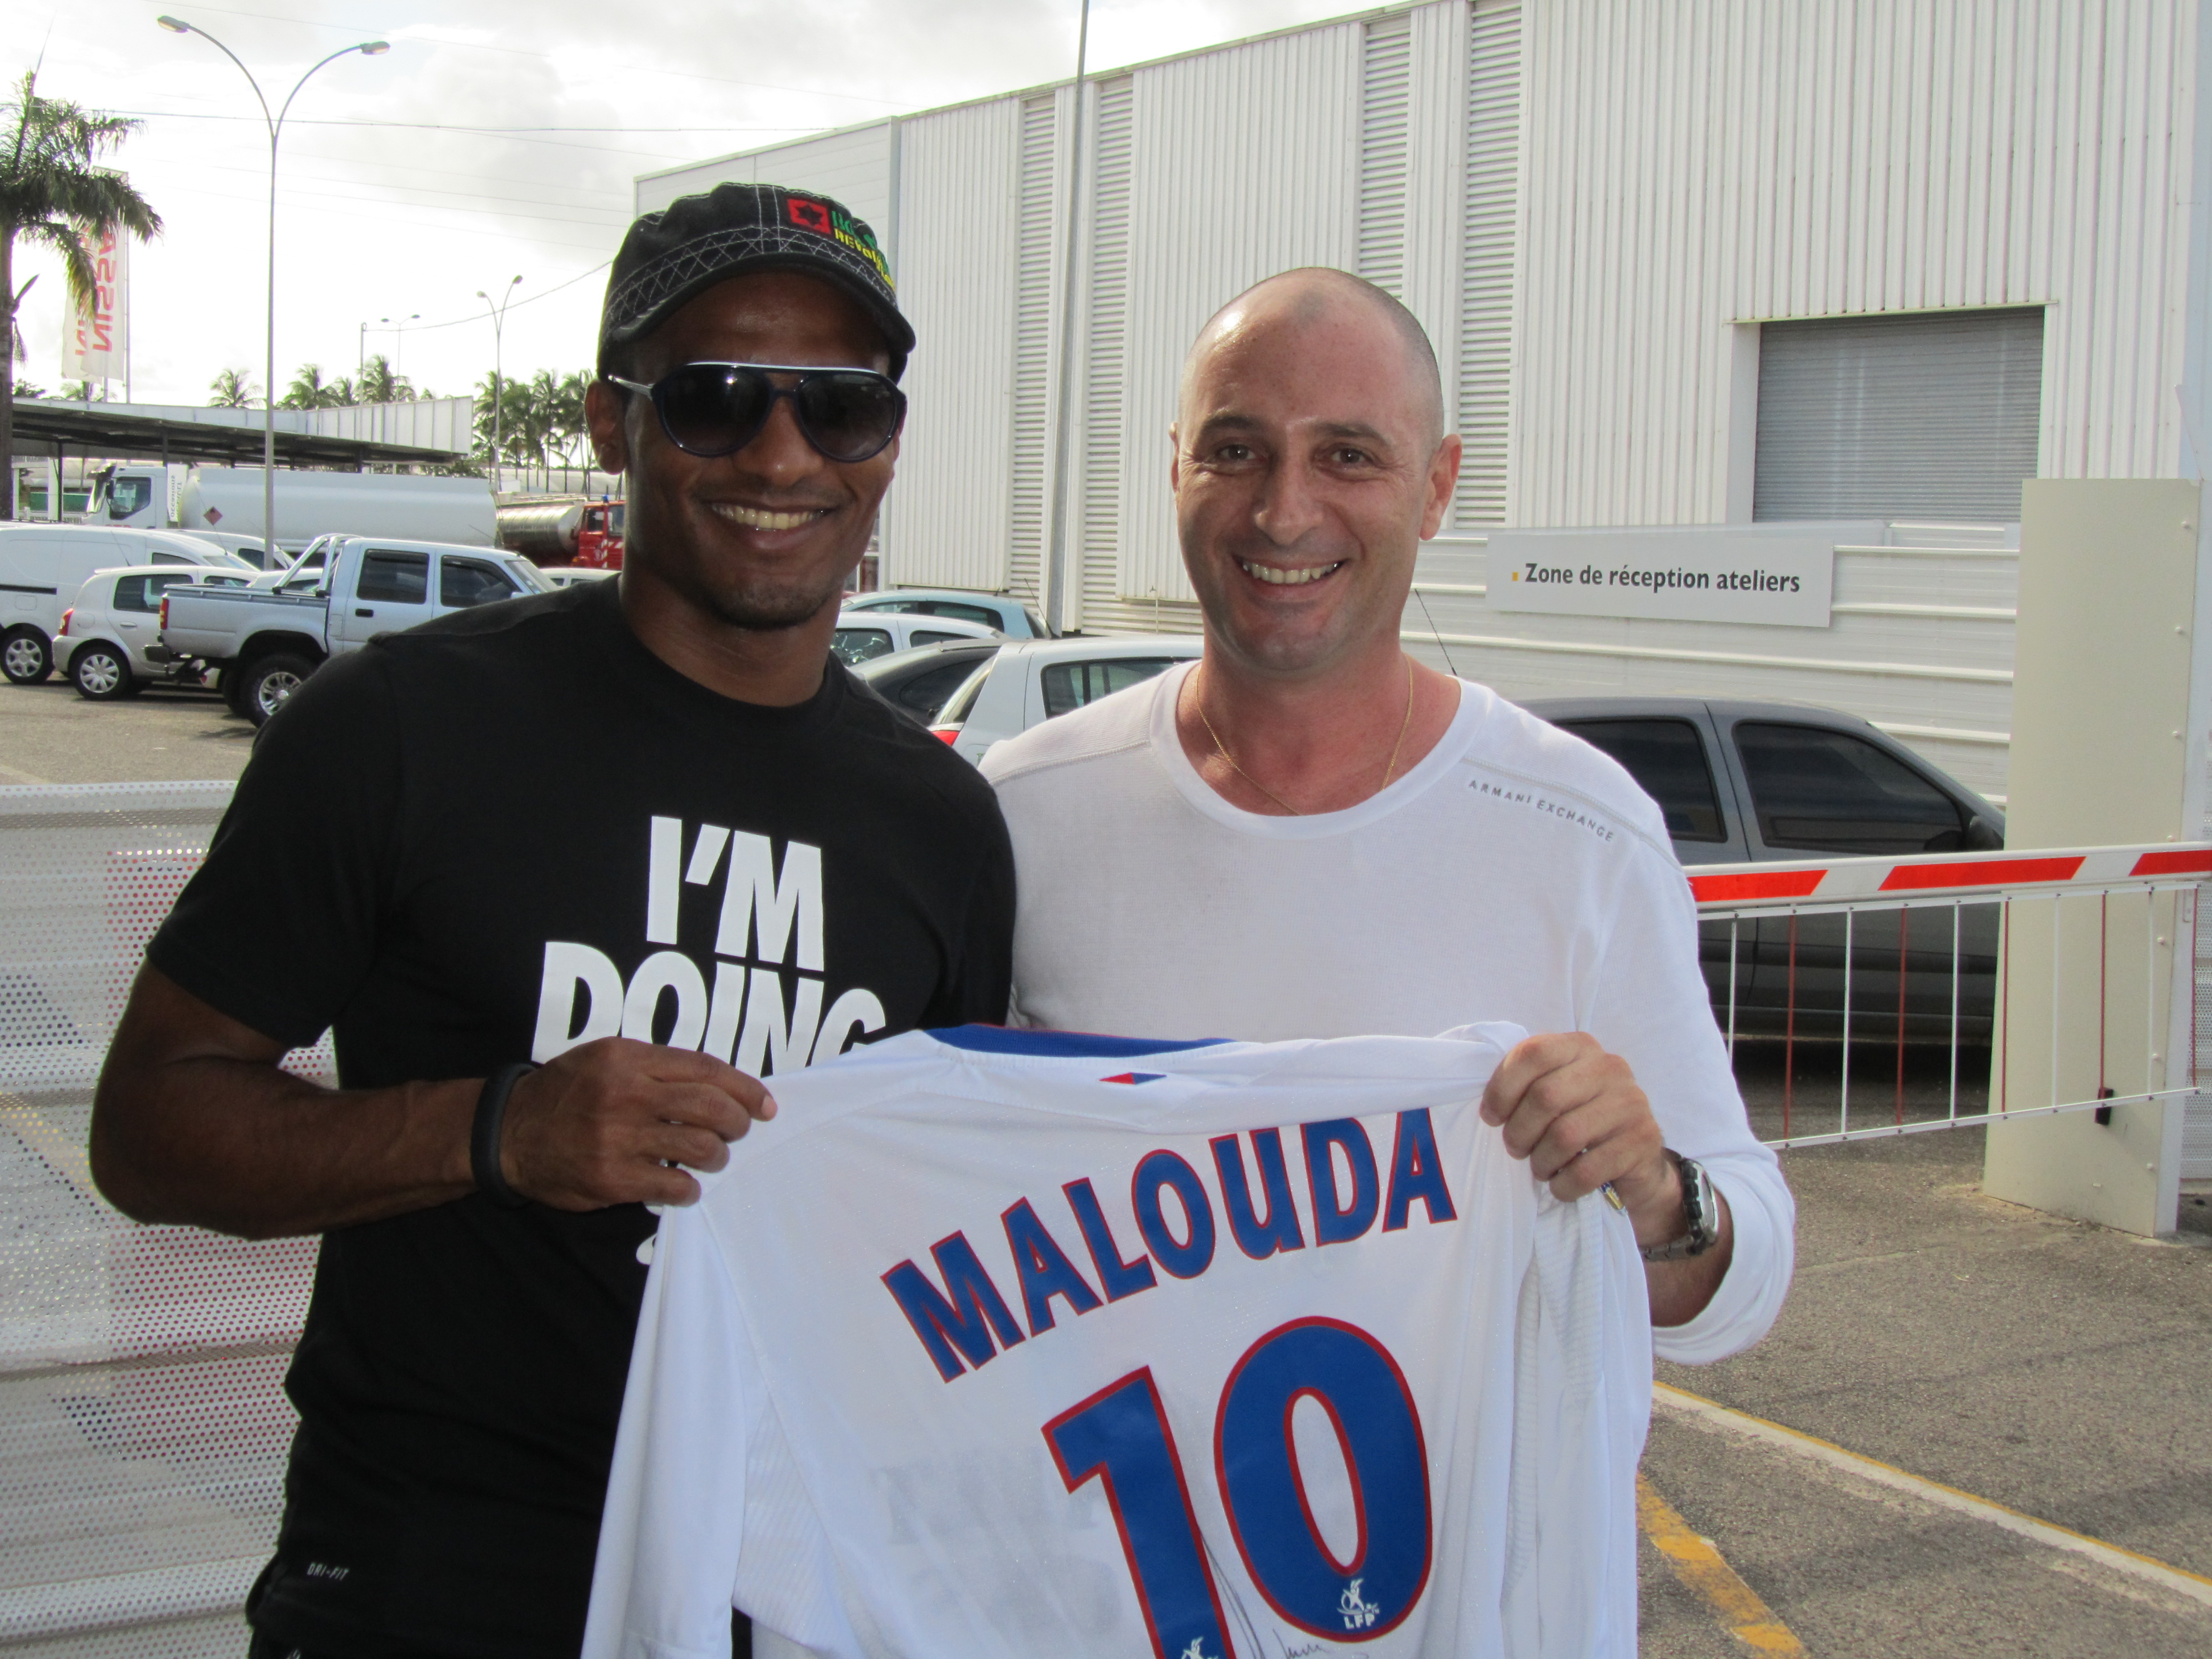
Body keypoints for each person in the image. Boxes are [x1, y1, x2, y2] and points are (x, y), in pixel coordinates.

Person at [90, 183, 1014, 1659]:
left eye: (842, 407)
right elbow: (147, 1130)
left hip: (783, 1596)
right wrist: (498, 1130)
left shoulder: (945, 825)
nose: (783, 454)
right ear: (610, 424)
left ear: (890, 444)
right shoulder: (402, 725)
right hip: (430, 1586)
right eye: (715, 396)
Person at [981, 267, 1791, 1355]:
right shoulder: (1027, 809)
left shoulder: (1584, 830)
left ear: (1438, 486)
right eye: (1236, 449)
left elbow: (1736, 1294)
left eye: (1348, 456)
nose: (1283, 511)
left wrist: (1654, 1193)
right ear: (1176, 467)